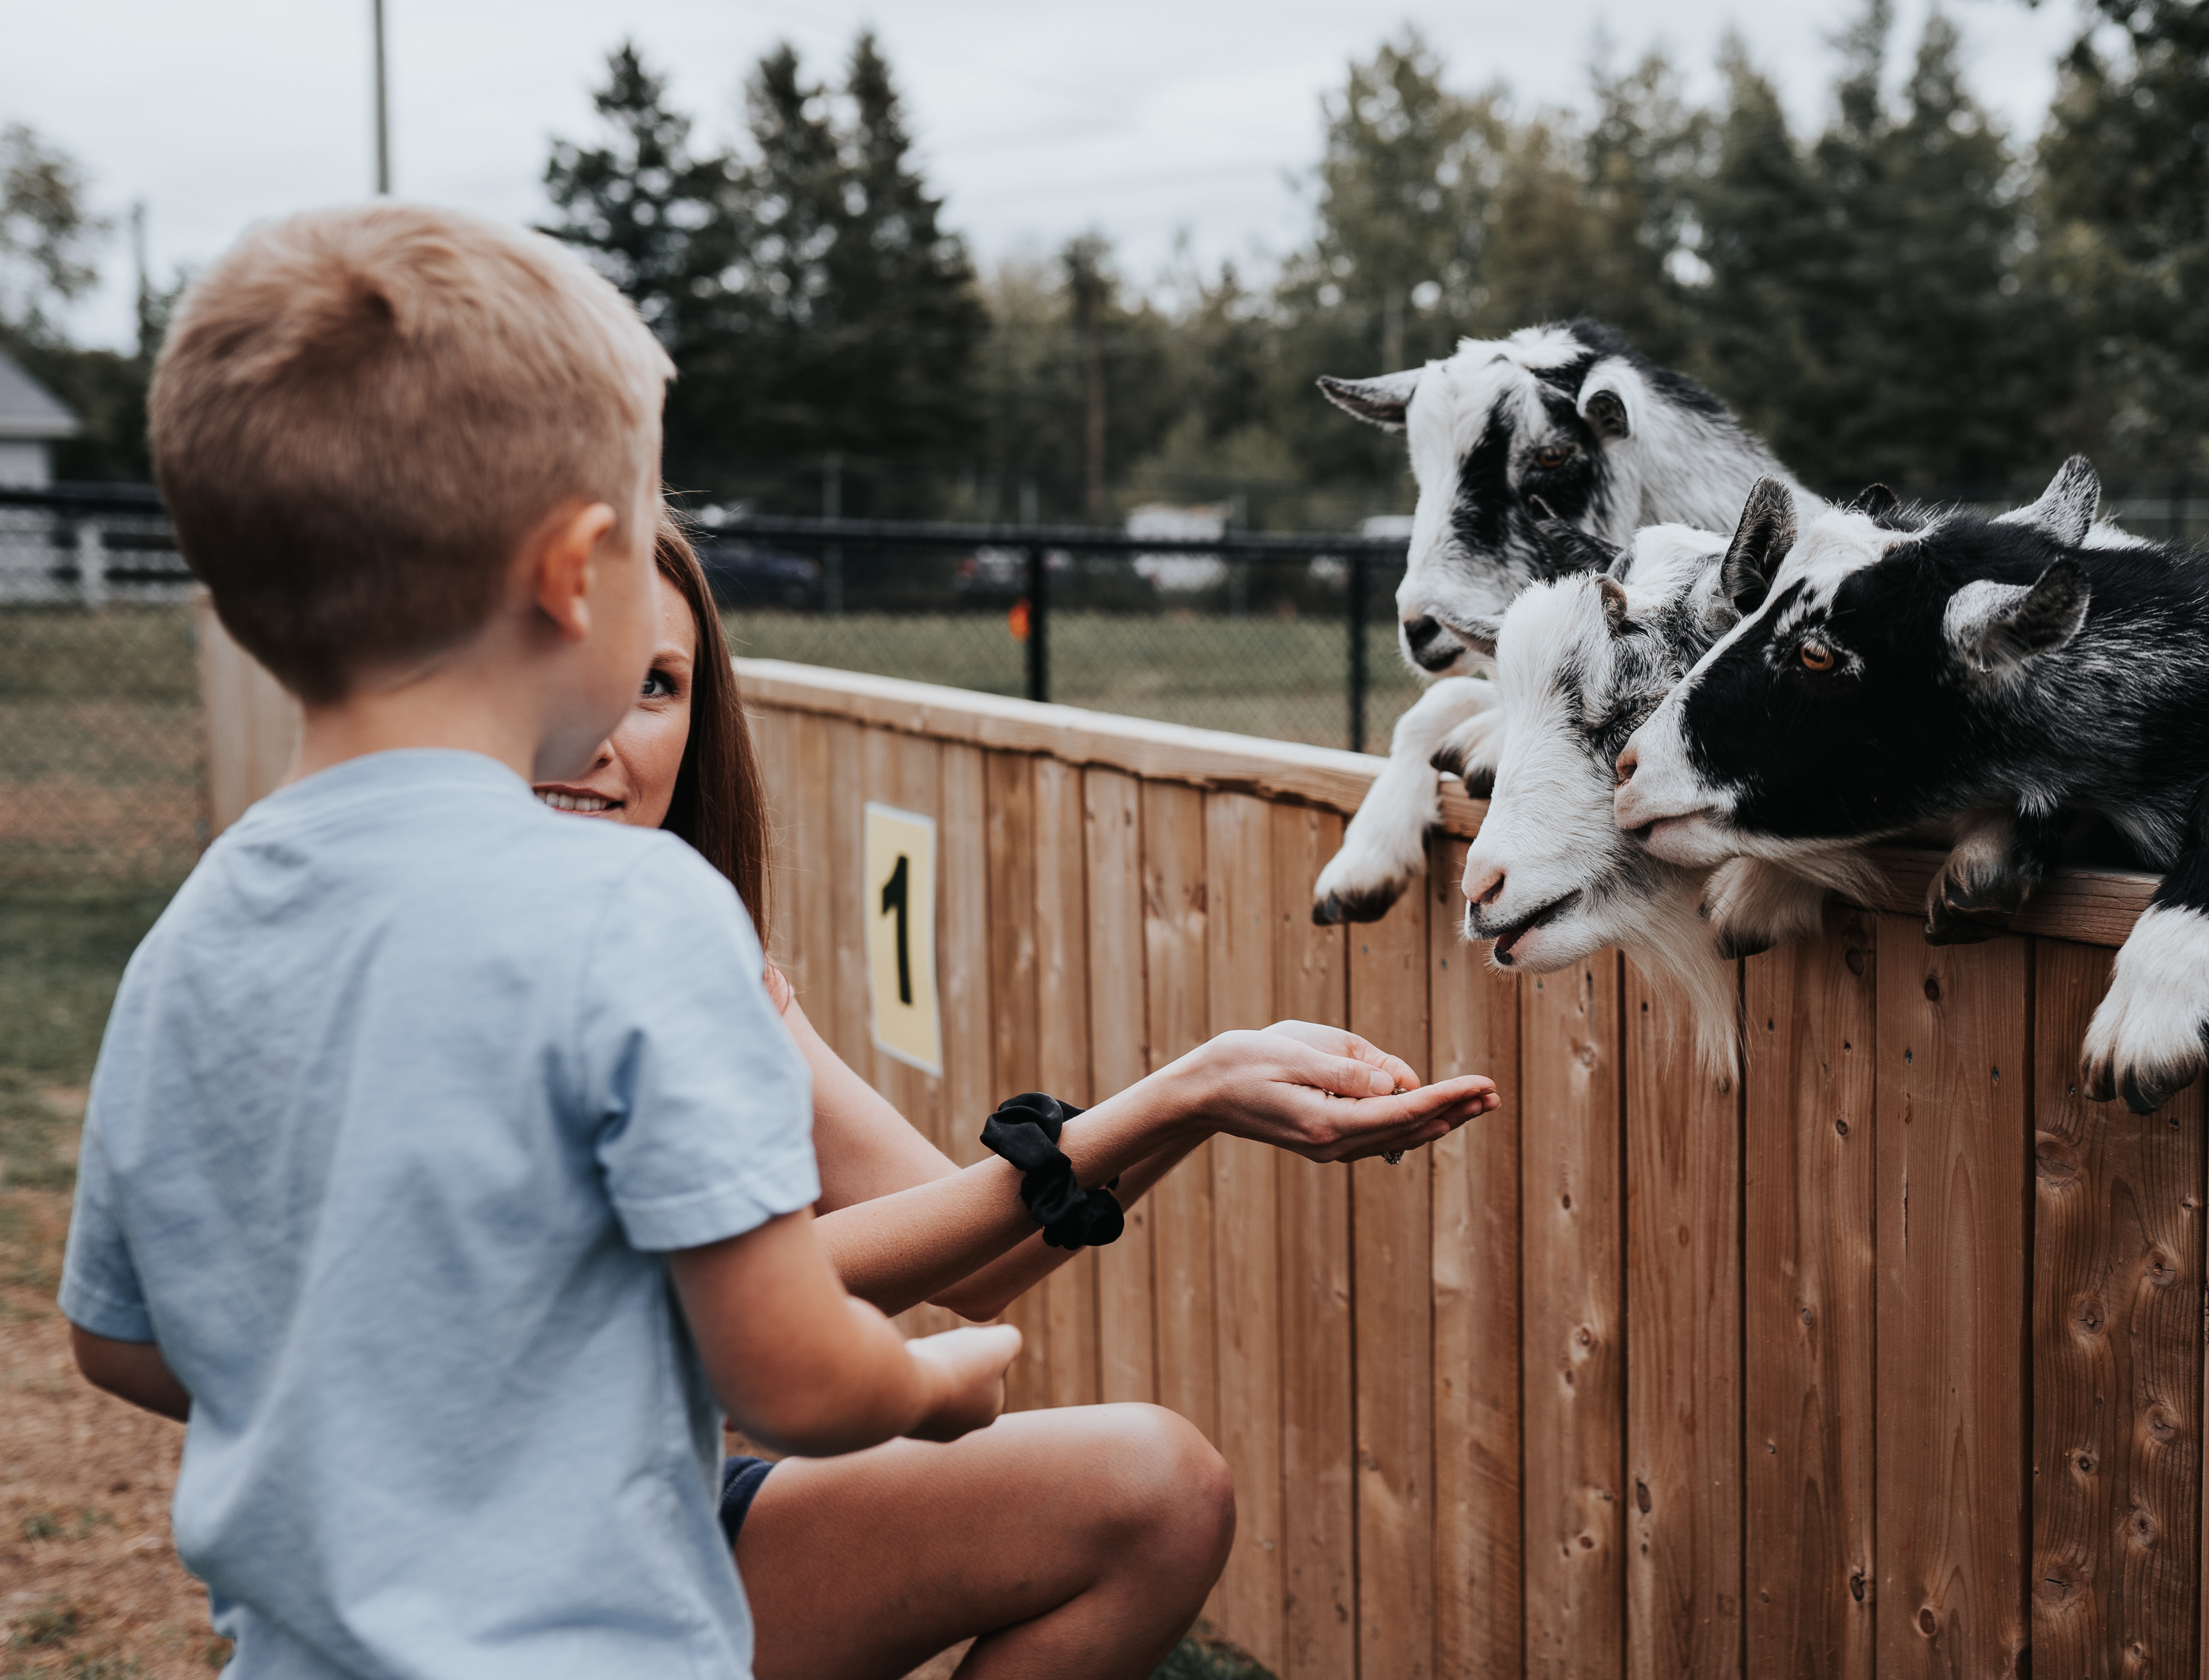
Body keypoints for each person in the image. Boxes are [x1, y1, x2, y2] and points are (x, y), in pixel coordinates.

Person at [58, 203, 1493, 1680]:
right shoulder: (630, 916)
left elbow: (117, 1336)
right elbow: (790, 1367)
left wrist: (393, 1381)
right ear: (573, 571)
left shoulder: (200, 927)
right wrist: (927, 1383)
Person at [531, 518, 1485, 1675]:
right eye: (556, 667)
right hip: (481, 1584)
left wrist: (1199, 1093)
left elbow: (977, 1259)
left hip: (670, 1518)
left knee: (1157, 1488)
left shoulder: (707, 956)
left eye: (652, 684)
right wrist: (1163, 1101)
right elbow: (711, 1289)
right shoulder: (433, 963)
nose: (594, 732)